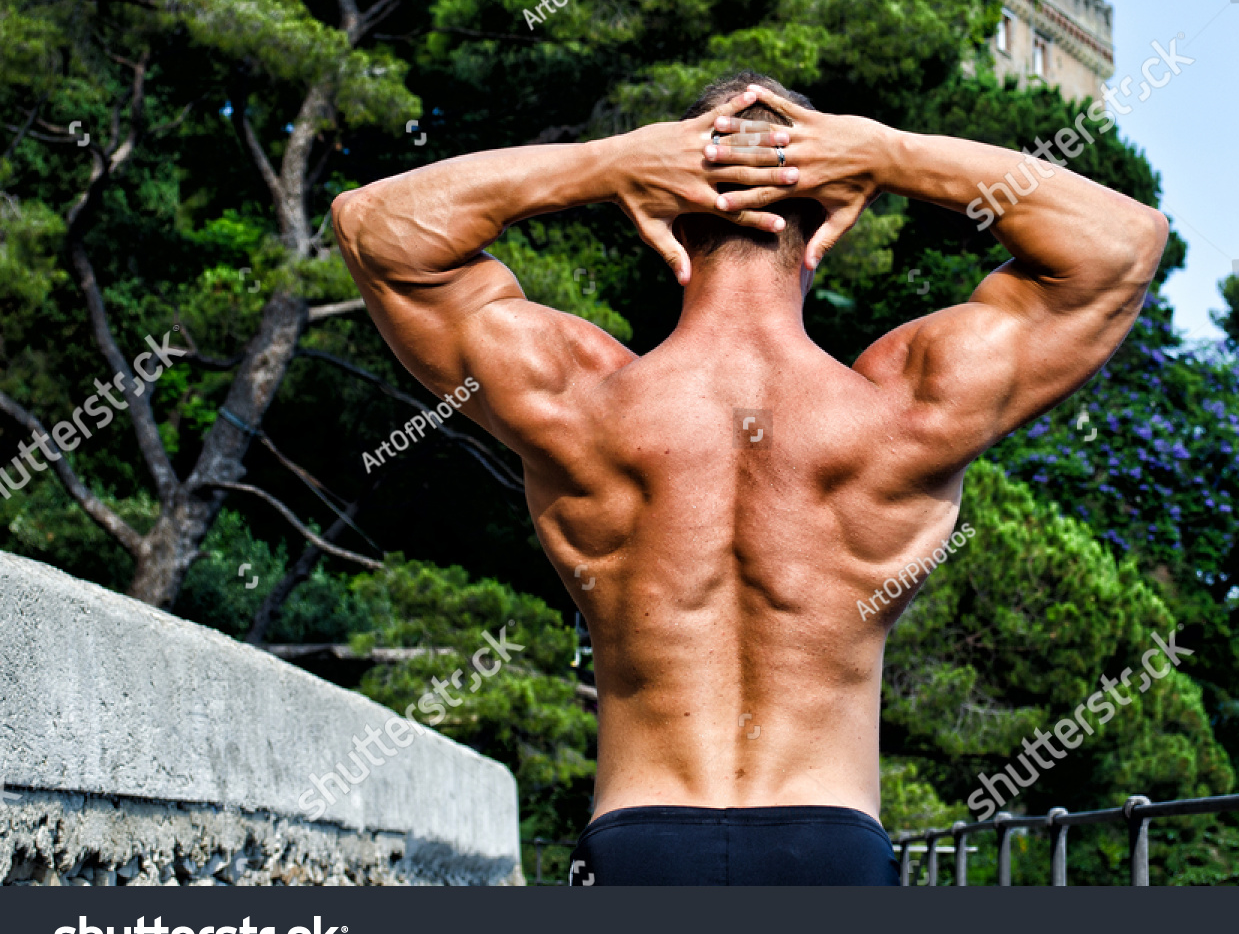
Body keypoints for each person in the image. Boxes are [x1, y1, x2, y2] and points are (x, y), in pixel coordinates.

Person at [331, 72, 1168, 885]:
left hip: (641, 846)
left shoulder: (579, 400)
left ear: (668, 224)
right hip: (829, 851)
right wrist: (886, 155)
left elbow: (376, 228)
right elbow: (1122, 245)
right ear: (824, 229)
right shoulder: (906, 406)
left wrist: (612, 163)